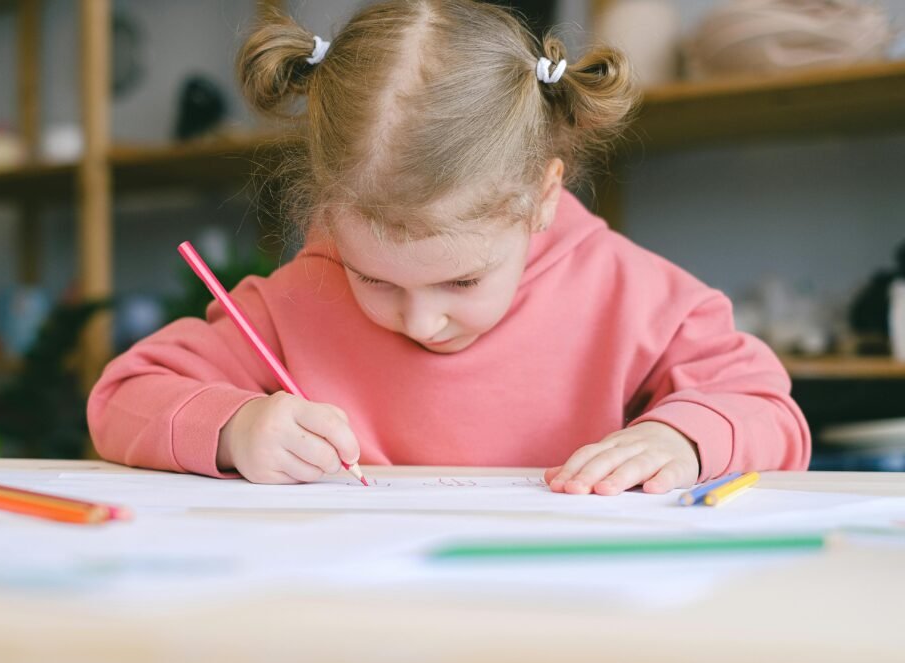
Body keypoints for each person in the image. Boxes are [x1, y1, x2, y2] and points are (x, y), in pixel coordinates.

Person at [88, 0, 810, 495]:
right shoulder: (297, 298)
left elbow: (770, 411)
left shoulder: (633, 294)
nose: (420, 321)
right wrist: (235, 427)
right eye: (374, 279)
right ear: (329, 212)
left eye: (461, 283)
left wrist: (682, 442)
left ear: (543, 196)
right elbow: (121, 398)